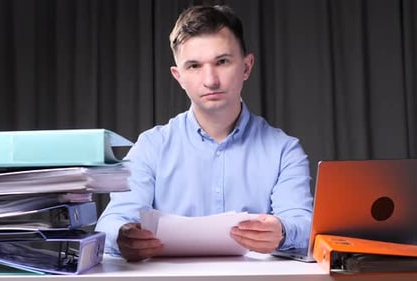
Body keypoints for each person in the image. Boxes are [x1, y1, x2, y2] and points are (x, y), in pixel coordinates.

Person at [95, 4, 313, 262]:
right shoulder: (151, 146)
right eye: (194, 66)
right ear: (179, 77)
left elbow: (304, 222)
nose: (210, 80)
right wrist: (123, 236)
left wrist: (284, 232)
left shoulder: (284, 150)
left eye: (222, 61)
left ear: (246, 67)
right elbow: (112, 221)